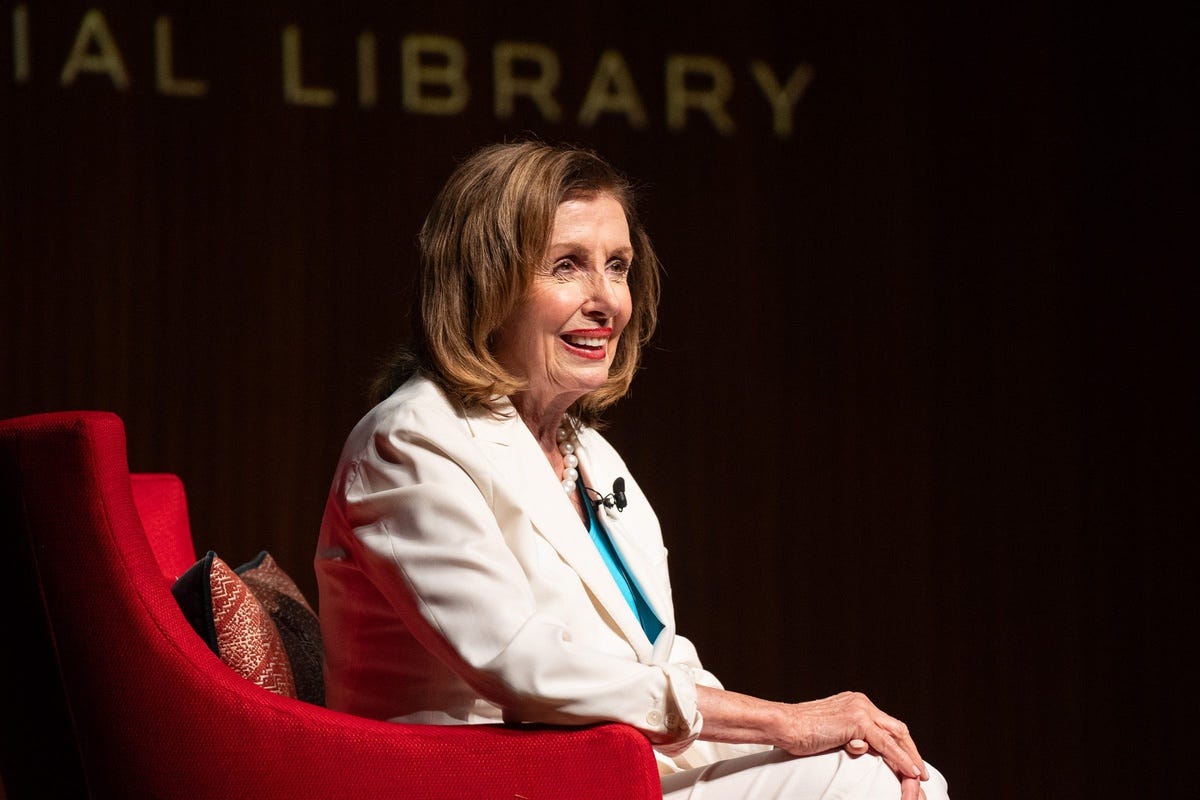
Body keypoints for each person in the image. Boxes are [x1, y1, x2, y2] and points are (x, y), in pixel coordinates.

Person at [315, 141, 949, 800]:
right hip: (484, 783)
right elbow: (522, 662)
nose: (608, 301)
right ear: (485, 283)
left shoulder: (588, 454)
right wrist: (786, 724)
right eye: (567, 266)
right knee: (859, 783)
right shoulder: (410, 441)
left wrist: (820, 735)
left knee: (896, 774)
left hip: (607, 776)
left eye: (616, 267)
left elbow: (658, 661)